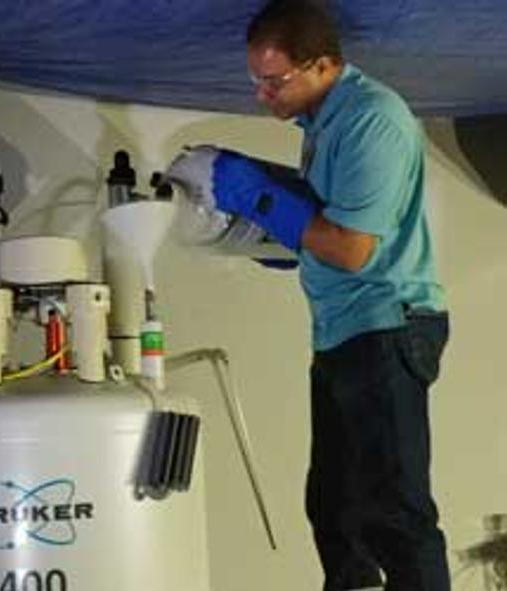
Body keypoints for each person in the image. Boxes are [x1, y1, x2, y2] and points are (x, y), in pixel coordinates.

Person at [163, 1, 450, 590]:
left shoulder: (372, 120)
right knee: (336, 511)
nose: (261, 95)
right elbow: (326, 227)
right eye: (255, 80)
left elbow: (352, 248)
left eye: (274, 81)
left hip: (386, 324)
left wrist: (262, 199)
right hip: (343, 329)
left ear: (322, 64)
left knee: (396, 514)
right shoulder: (323, 125)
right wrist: (268, 236)